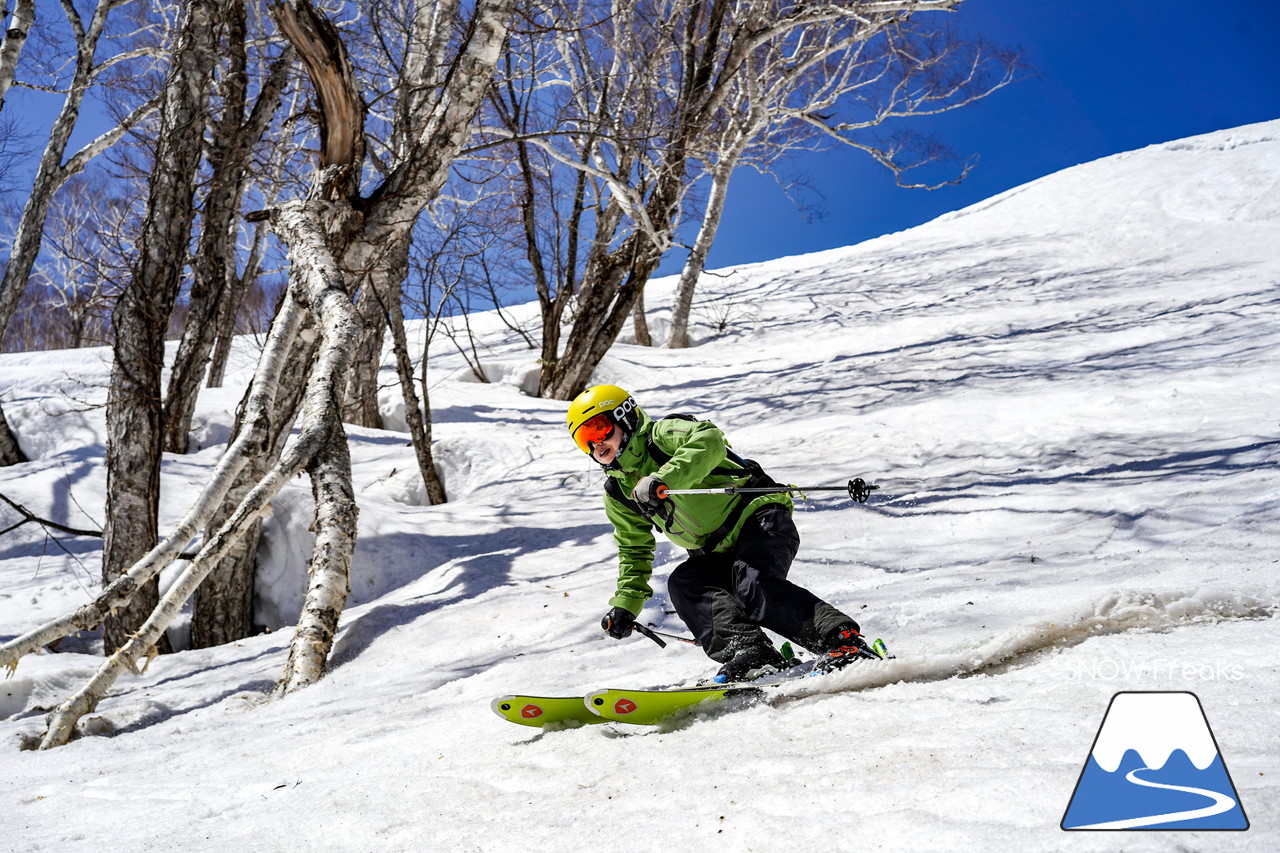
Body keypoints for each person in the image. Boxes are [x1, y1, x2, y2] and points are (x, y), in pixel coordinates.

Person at [566, 384, 884, 682]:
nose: (596, 444)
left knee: (752, 582)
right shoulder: (619, 491)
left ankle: (842, 642)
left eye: (598, 429)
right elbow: (633, 550)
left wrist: (663, 476)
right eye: (584, 439)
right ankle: (751, 653)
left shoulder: (662, 436)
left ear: (626, 417)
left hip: (759, 517)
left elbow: (710, 441)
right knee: (685, 583)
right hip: (714, 550)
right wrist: (626, 604)